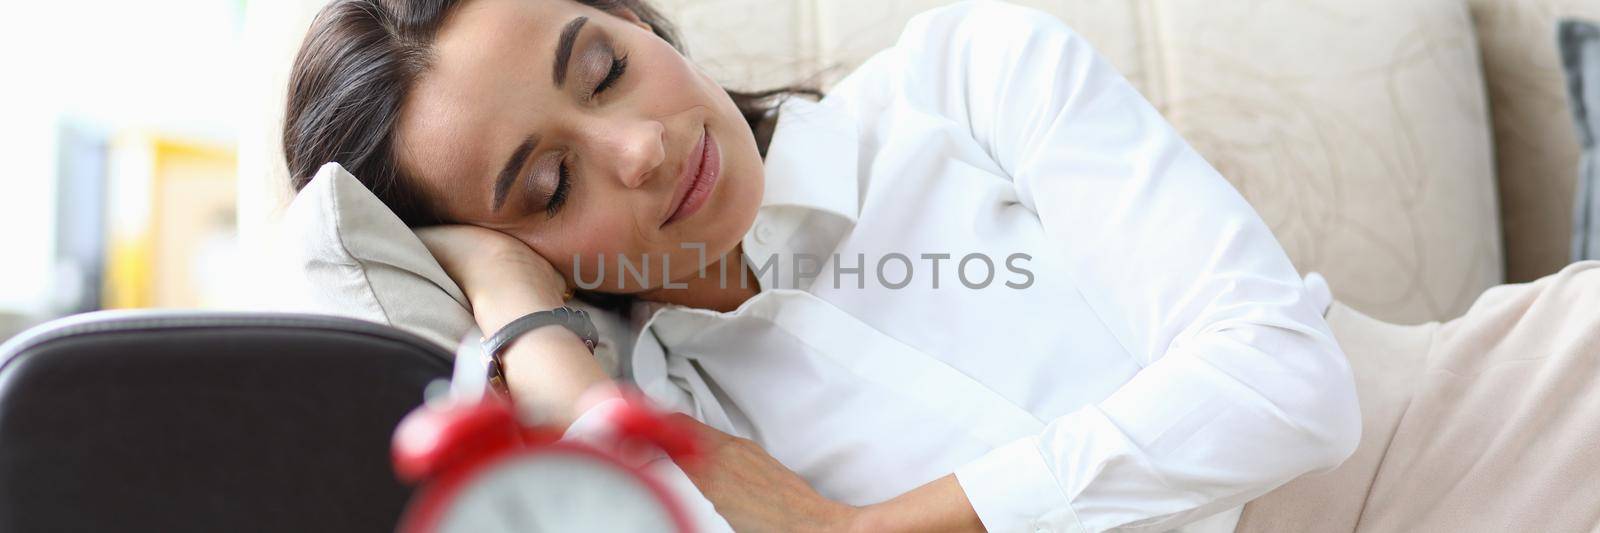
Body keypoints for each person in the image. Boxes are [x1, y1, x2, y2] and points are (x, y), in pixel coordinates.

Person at [281, 0, 1362, 531]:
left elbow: (1288, 385)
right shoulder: (663, 414)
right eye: (551, 188)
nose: (640, 147)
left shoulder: (967, 76)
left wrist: (861, 531)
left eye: (604, 68)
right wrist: (516, 306)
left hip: (1435, 442)